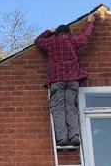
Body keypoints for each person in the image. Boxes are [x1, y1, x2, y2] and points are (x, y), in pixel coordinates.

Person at [34, 13, 96, 147]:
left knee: (58, 108)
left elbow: (38, 41)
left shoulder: (50, 42)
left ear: (57, 33)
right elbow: (85, 36)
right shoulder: (73, 40)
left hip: (56, 80)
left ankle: (61, 138)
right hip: (73, 79)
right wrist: (90, 22)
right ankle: (74, 135)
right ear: (69, 32)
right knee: (71, 107)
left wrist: (49, 31)